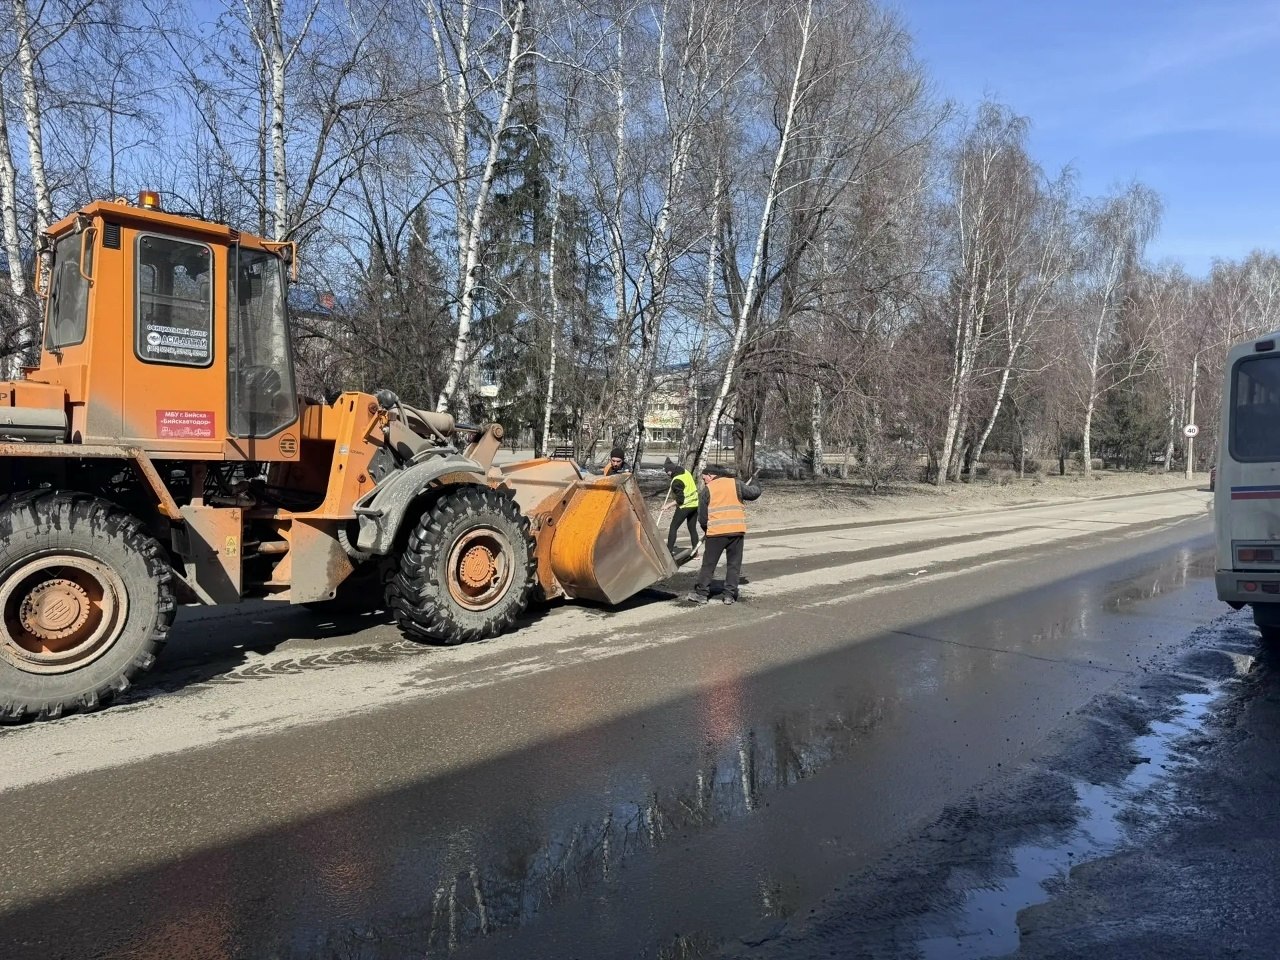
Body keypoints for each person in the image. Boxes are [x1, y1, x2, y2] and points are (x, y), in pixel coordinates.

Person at [685, 464, 761, 605]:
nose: (704, 481)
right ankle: (729, 596)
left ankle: (702, 594)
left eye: (704, 478)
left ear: (711, 475)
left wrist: (707, 529)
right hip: (736, 531)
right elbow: (754, 493)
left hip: (716, 533)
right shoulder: (736, 483)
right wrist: (755, 480)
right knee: (733, 564)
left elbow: (702, 517)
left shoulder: (708, 489)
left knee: (709, 565)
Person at [661, 457, 700, 557]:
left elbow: (680, 500)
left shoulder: (676, 482)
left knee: (673, 527)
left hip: (685, 506)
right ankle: (695, 553)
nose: (667, 474)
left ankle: (669, 551)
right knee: (692, 529)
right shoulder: (685, 472)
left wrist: (668, 506)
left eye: (667, 472)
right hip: (695, 504)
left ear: (669, 472)